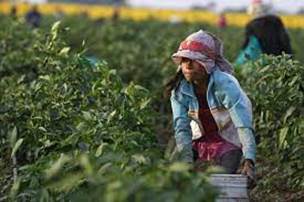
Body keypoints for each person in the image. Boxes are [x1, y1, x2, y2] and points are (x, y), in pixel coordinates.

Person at [165, 30, 256, 180]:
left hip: (228, 137)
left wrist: (249, 160)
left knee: (221, 181)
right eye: (184, 59)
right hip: (199, 136)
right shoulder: (179, 90)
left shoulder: (226, 85)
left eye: (193, 60)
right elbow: (182, 128)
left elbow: (243, 125)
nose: (187, 65)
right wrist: (186, 163)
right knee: (175, 175)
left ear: (207, 64)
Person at [235, 0, 292, 65]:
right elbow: (285, 41)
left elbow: (248, 46)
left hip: (263, 61)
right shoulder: (277, 22)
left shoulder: (252, 25)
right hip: (279, 59)